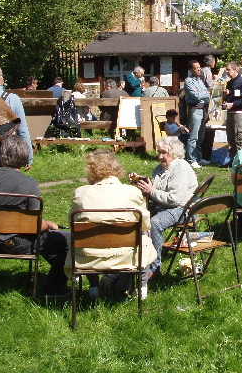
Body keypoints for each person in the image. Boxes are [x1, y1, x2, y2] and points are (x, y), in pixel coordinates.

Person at [0, 136, 70, 296]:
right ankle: (54, 288)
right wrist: (48, 224)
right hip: (18, 242)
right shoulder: (29, 184)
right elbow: (34, 226)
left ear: (2, 155)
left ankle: (60, 270)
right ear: (24, 158)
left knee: (50, 239)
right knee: (67, 239)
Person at [68, 149, 157, 301]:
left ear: (90, 171)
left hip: (89, 257)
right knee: (144, 236)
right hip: (126, 255)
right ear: (117, 169)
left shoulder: (80, 193)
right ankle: (141, 287)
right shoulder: (132, 192)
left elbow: (72, 223)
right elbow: (145, 224)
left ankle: (94, 287)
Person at [129, 136, 198, 279]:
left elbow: (174, 199)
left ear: (174, 152)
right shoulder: (160, 168)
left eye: (164, 153)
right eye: (158, 152)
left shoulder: (181, 169)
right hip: (164, 207)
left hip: (183, 209)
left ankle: (155, 269)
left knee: (155, 223)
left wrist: (151, 191)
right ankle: (137, 260)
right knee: (135, 216)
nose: (160, 156)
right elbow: (156, 187)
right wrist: (139, 181)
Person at [184, 60, 211, 168]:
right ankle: (191, 159)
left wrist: (203, 93)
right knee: (193, 136)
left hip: (203, 110)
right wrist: (203, 93)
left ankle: (199, 158)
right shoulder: (188, 81)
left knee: (200, 136)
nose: (199, 69)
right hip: (195, 110)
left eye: (199, 67)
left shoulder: (200, 81)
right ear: (191, 70)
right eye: (196, 68)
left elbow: (208, 94)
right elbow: (196, 96)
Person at [224, 60, 242, 160]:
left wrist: (234, 104)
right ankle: (233, 161)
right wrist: (226, 95)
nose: (226, 71)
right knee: (231, 139)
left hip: (239, 114)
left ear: (235, 70)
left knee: (241, 138)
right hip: (230, 114)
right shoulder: (229, 83)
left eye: (228, 70)